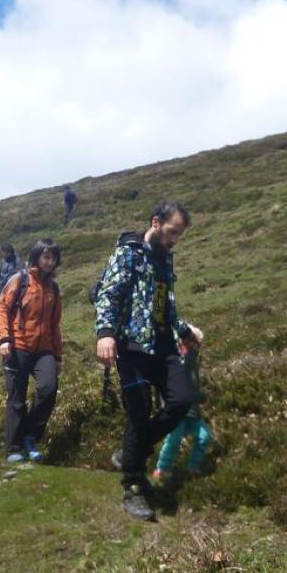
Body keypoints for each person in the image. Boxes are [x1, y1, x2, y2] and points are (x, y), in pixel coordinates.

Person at [95, 200, 205, 522]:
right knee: (139, 413)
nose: (174, 240)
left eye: (179, 235)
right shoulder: (128, 252)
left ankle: (133, 452)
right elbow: (109, 294)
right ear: (156, 222)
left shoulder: (165, 258)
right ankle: (133, 486)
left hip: (163, 345)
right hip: (130, 347)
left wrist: (183, 330)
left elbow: (164, 306)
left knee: (182, 400)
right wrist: (105, 333)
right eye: (172, 232)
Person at [0, 239, 63, 463]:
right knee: (17, 398)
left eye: (53, 258)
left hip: (43, 349)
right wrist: (4, 338)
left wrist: (57, 355)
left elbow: (55, 325)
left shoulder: (54, 288)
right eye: (46, 257)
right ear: (36, 257)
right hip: (18, 346)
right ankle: (13, 447)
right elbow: (2, 307)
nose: (49, 261)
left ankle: (29, 436)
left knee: (48, 389)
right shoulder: (20, 279)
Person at [150, 345, 213, 484]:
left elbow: (193, 385)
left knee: (204, 436)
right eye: (191, 342)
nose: (194, 347)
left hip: (193, 412)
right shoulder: (174, 361)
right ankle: (161, 469)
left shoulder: (193, 363)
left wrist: (199, 395)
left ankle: (193, 467)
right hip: (176, 411)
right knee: (174, 440)